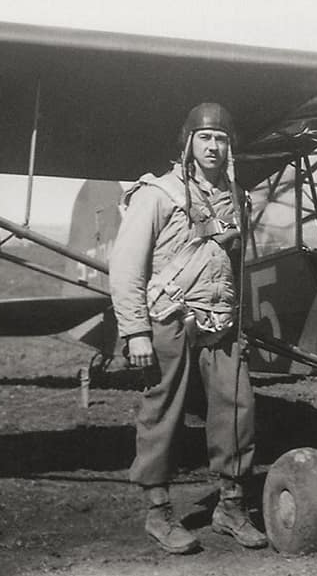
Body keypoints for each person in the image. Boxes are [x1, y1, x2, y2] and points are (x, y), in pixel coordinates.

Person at [109, 103, 267, 554]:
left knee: (238, 409)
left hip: (220, 322)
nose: (214, 146)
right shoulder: (156, 195)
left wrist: (244, 322)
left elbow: (237, 268)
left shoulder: (237, 196)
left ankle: (231, 507)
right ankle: (159, 512)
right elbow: (125, 267)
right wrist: (135, 331)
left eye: (221, 138)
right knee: (163, 415)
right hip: (169, 319)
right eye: (205, 138)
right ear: (188, 144)